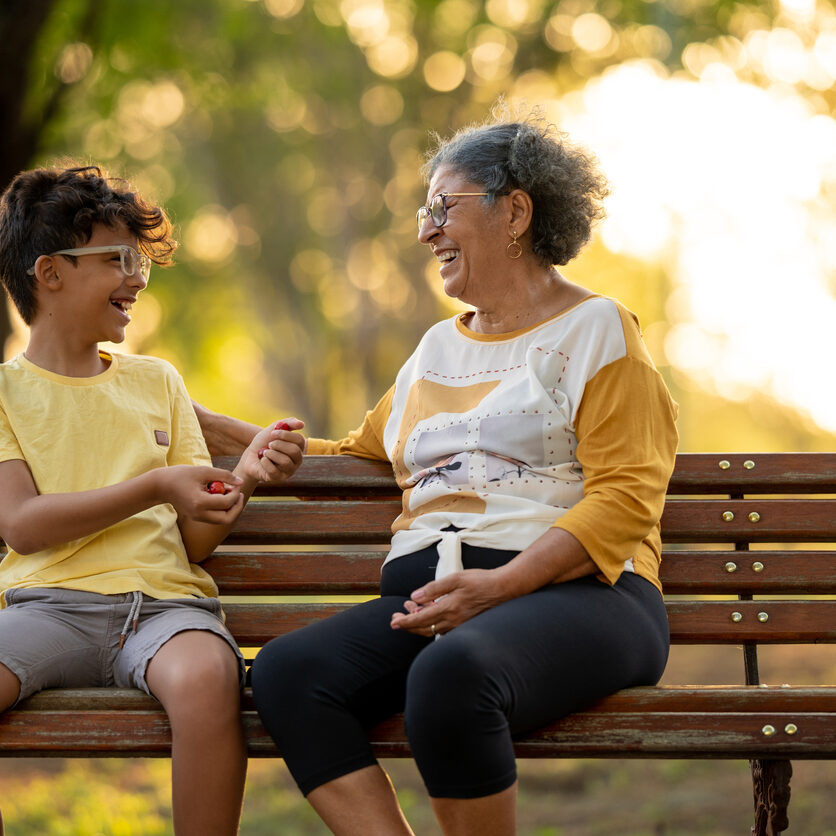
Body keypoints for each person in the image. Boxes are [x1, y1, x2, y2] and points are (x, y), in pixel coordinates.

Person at [207, 113, 679, 835]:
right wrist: (187, 416)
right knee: (287, 673)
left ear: (515, 210)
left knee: (452, 675)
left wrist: (499, 586)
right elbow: (359, 454)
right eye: (424, 213)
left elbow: (625, 500)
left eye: (442, 207)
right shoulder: (433, 350)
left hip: (588, 597)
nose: (426, 230)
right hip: (440, 603)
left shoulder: (598, 330)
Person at [0, 165, 305, 836]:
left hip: (163, 610)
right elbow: (21, 525)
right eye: (118, 259)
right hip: (46, 607)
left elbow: (194, 541)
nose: (137, 277)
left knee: (206, 678)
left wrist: (243, 481)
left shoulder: (157, 381)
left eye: (139, 260)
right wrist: (155, 485)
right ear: (49, 274)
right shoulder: (6, 393)